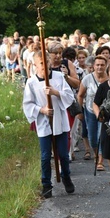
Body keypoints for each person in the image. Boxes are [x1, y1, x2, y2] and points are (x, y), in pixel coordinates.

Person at [22, 50, 76, 198]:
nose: (45, 66)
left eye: (47, 62)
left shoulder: (59, 77)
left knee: (63, 155)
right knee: (46, 156)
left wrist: (55, 92)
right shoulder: (32, 82)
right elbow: (27, 104)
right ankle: (46, 183)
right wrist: (42, 110)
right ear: (35, 65)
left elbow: (70, 96)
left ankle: (66, 176)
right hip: (44, 123)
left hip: (59, 120)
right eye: (41, 63)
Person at [78, 56, 108, 167]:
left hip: (105, 112)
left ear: (106, 66)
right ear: (93, 66)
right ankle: (96, 154)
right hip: (90, 111)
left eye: (102, 65)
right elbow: (80, 95)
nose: (99, 67)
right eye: (97, 65)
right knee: (92, 137)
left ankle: (100, 160)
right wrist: (79, 111)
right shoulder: (87, 79)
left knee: (101, 135)